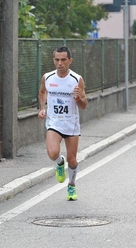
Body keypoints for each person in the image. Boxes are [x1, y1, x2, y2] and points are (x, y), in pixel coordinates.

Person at [38, 45, 88, 201]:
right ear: (54, 60)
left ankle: (71, 185)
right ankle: (60, 163)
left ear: (70, 61)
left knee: (72, 159)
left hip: (71, 124)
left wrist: (79, 98)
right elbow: (42, 92)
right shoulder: (48, 77)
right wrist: (42, 108)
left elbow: (84, 105)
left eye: (63, 60)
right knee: (53, 153)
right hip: (54, 122)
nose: (60, 63)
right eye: (57, 60)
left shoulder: (76, 79)